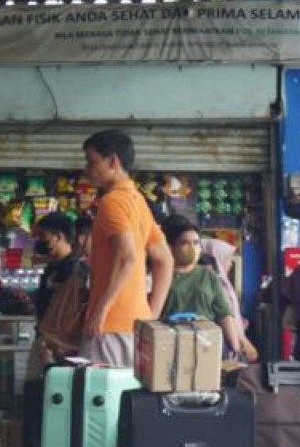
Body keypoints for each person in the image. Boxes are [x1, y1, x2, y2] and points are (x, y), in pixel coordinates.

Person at [80, 130, 173, 368]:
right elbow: (164, 260)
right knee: (126, 400)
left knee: (98, 401)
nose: (87, 169)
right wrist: (151, 315)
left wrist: (102, 308)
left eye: (92, 162)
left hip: (108, 327)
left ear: (113, 162)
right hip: (135, 326)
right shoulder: (137, 201)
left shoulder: (111, 202)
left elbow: (127, 258)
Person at [160, 217, 247, 357]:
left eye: (195, 243)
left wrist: (235, 348)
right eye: (184, 243)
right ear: (171, 247)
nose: (192, 248)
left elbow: (223, 314)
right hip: (170, 344)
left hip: (207, 344)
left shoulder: (209, 276)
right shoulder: (161, 276)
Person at [30, 212, 87, 373]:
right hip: (46, 339)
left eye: (43, 236)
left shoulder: (74, 270)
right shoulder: (52, 267)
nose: (39, 242)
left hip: (60, 345)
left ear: (57, 237)